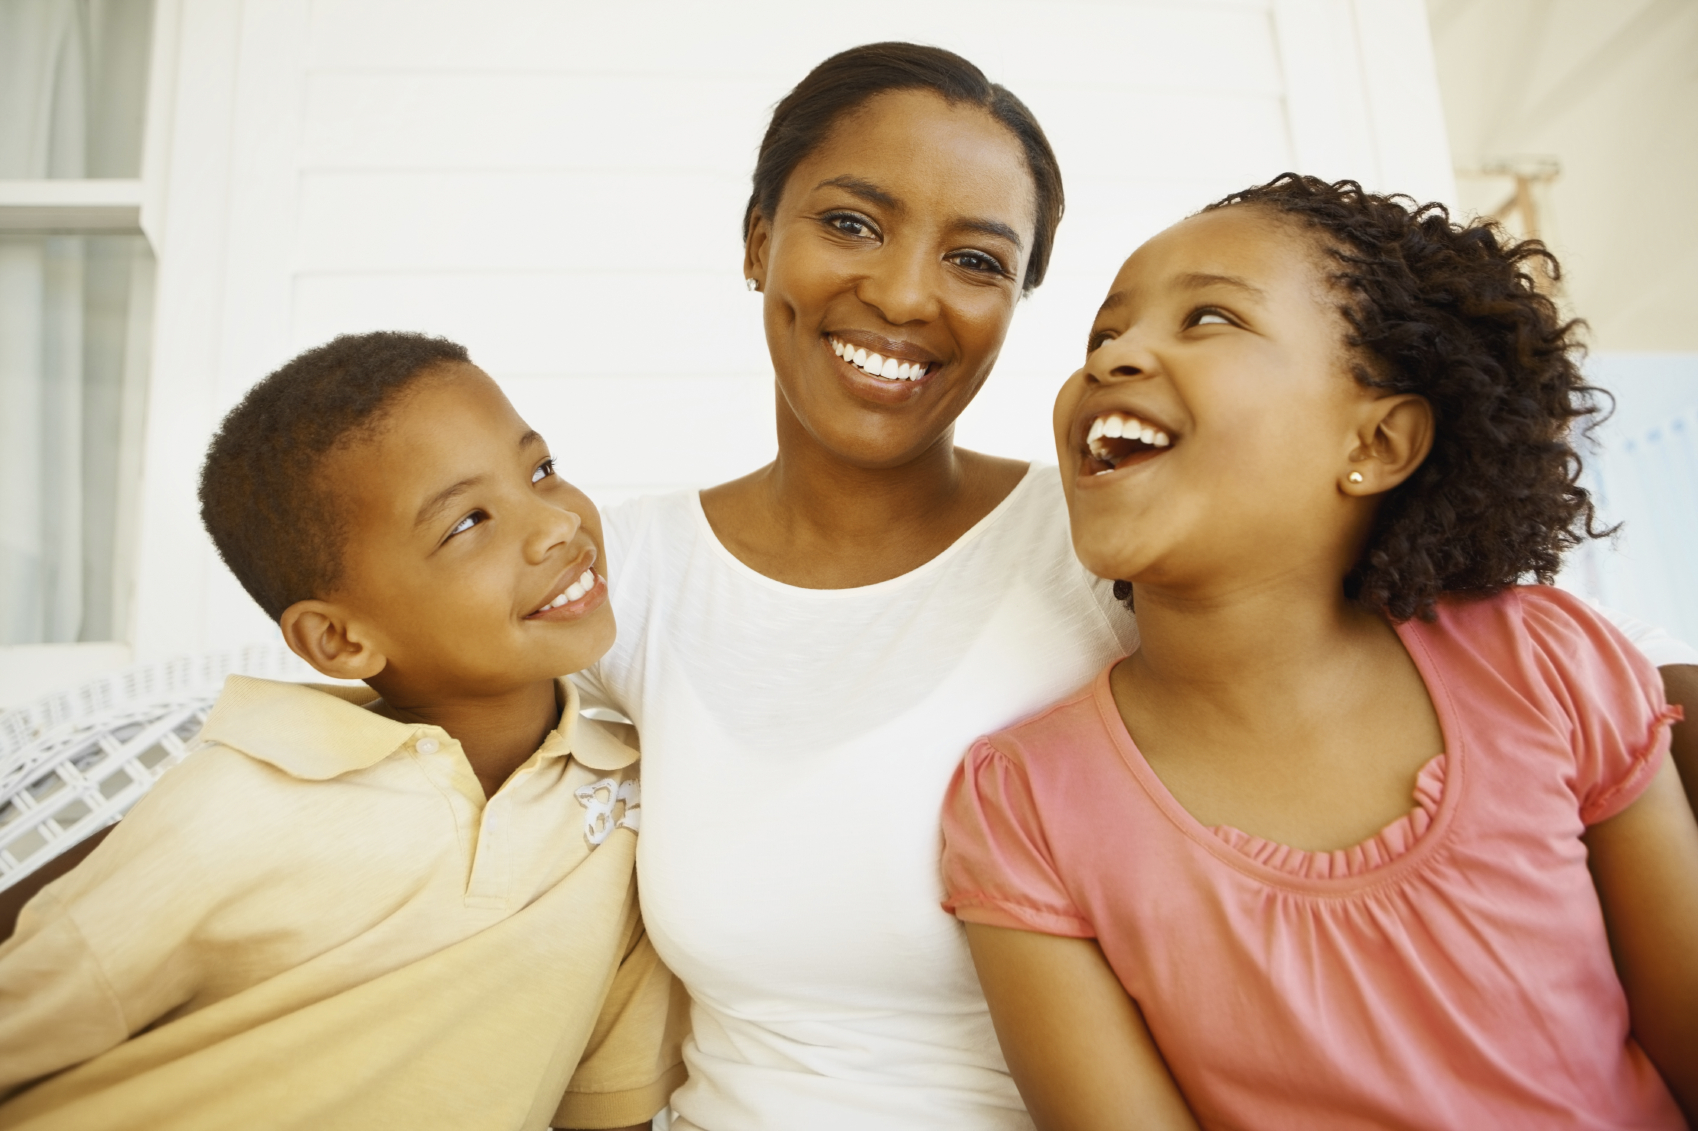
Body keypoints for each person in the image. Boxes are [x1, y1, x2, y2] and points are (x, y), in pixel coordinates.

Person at [571, 41, 1698, 1131]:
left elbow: (1591, 684)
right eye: (851, 222)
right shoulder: (618, 577)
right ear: (760, 238)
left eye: (977, 260)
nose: (907, 293)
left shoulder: (1137, 540)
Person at [941, 175, 1698, 1130]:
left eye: (1208, 317)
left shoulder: (1542, 664)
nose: (1119, 355)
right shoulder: (1026, 804)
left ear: (1379, 442)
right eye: (1103, 336)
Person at [0, 333, 684, 1131]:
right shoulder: (231, 807)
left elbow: (607, 1110)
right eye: (468, 521)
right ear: (340, 640)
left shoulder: (631, 809)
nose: (556, 526)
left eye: (539, 470)